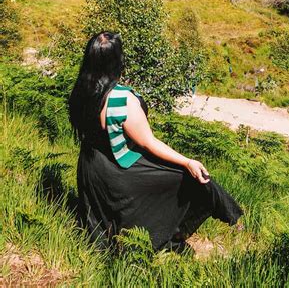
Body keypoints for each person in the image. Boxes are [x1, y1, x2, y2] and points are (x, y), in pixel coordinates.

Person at [68, 31, 243, 252]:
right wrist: (187, 161)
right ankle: (174, 235)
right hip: (117, 171)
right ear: (117, 61)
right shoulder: (123, 99)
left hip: (90, 170)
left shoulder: (81, 91)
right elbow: (149, 143)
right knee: (193, 180)